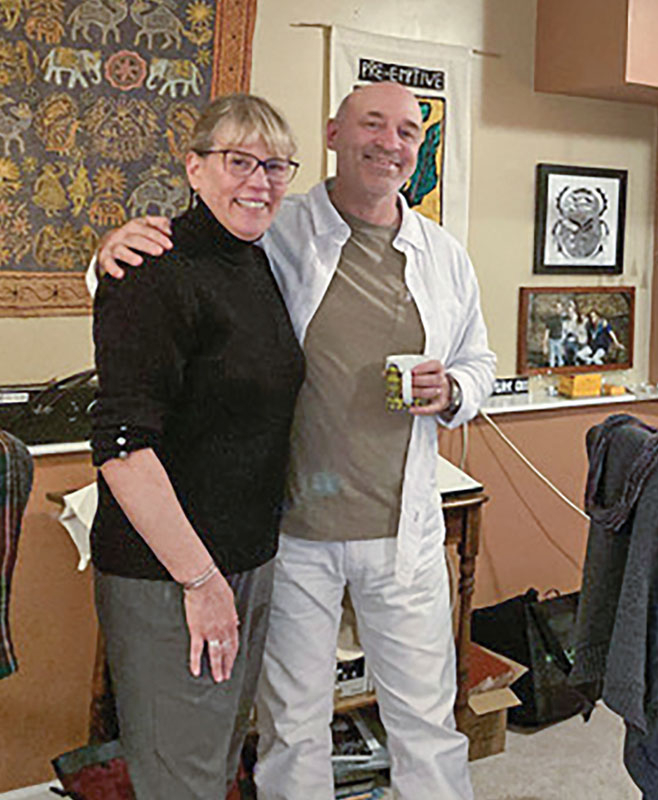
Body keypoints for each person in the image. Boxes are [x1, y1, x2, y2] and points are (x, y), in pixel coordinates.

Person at [95, 82, 495, 800]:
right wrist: (106, 255)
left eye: (407, 131)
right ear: (335, 134)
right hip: (293, 535)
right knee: (291, 726)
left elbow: (480, 360)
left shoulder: (443, 254)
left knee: (428, 721)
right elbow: (171, 273)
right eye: (372, 124)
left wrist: (458, 389)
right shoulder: (280, 226)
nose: (390, 143)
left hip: (400, 531)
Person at [89, 94, 305, 799]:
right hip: (172, 574)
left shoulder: (257, 262)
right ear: (194, 167)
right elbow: (123, 447)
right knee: (181, 779)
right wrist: (201, 581)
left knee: (212, 768)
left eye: (275, 166)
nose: (259, 181)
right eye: (239, 161)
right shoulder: (152, 268)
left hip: (245, 559)